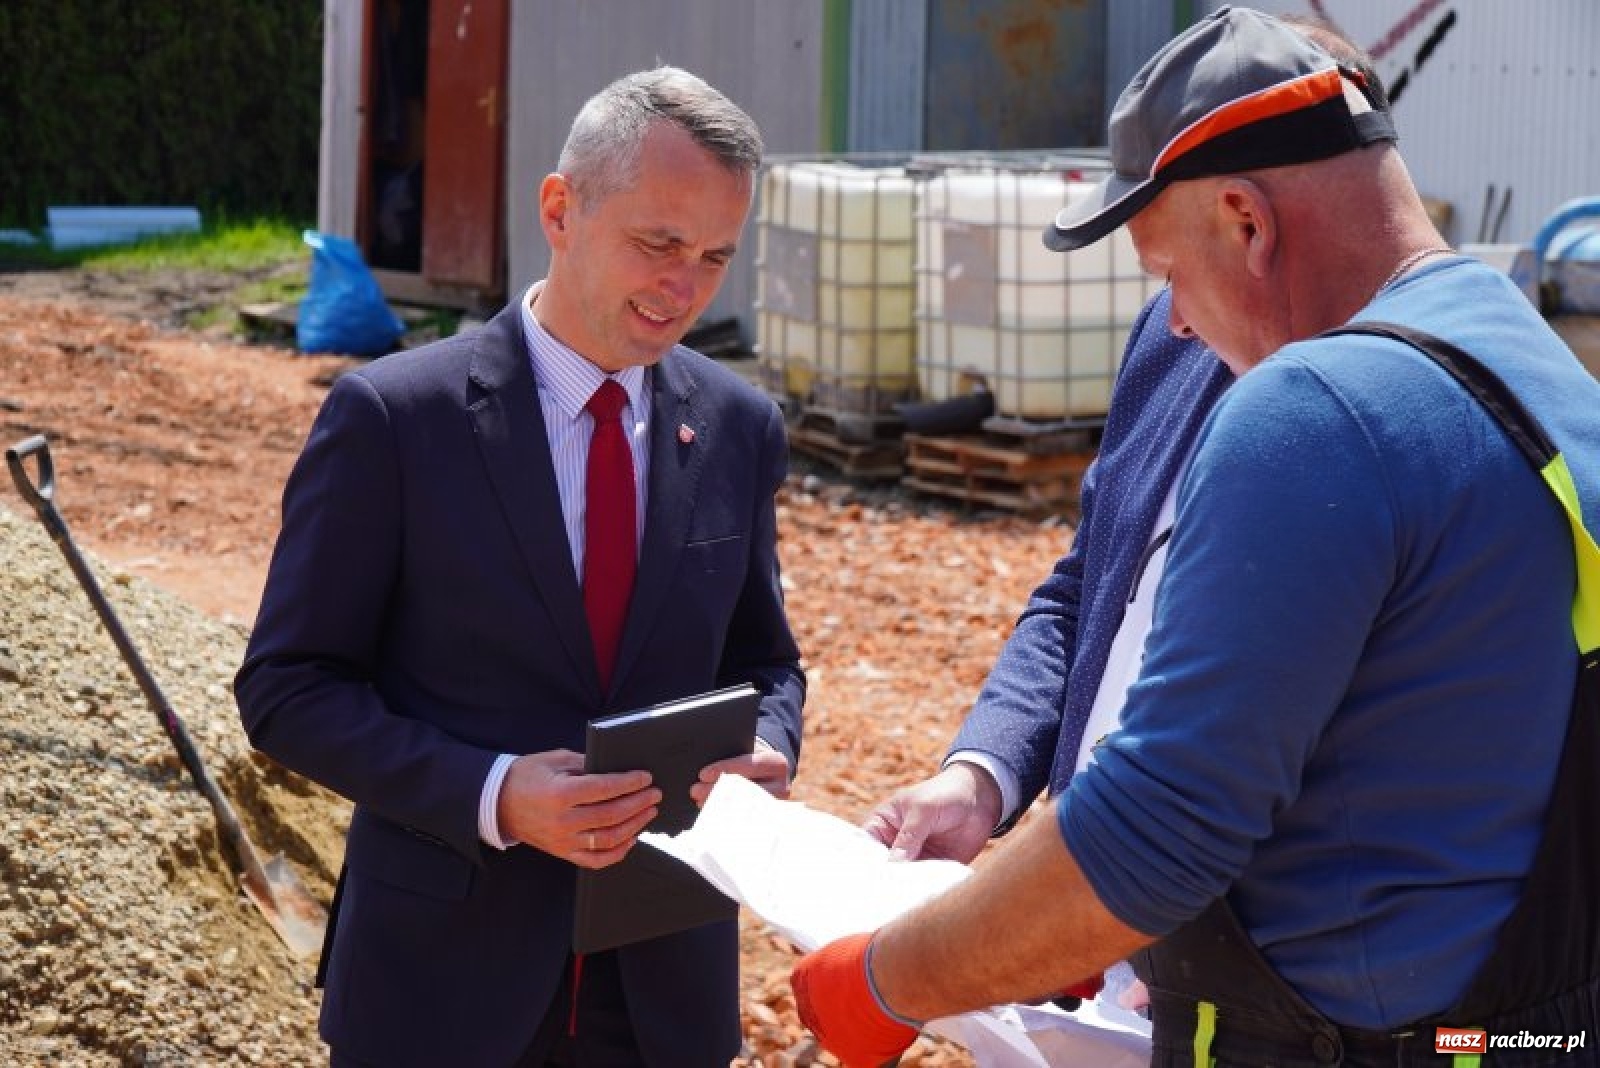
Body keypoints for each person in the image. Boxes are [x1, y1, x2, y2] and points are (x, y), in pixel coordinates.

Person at [793, 8, 1600, 1067]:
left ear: (1246, 221)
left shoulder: (1316, 406)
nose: (1171, 322)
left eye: (1167, 272)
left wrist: (882, 981)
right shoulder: (1537, 372)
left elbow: (1154, 838)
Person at [235, 66, 805, 1068]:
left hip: (663, 988)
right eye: (658, 243)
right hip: (439, 988)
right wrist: (492, 792)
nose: (684, 286)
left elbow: (765, 661)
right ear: (559, 209)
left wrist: (767, 742)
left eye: (715, 256)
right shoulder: (394, 419)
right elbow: (288, 688)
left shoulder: (737, 426)